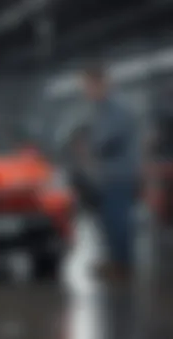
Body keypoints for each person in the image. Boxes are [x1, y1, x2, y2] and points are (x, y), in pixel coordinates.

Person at [81, 61, 139, 281]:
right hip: (107, 175)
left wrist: (89, 146)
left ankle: (123, 265)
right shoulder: (101, 109)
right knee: (107, 221)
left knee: (119, 220)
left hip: (120, 175)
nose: (86, 92)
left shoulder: (119, 108)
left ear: (102, 84)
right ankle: (114, 260)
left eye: (89, 86)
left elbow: (107, 140)